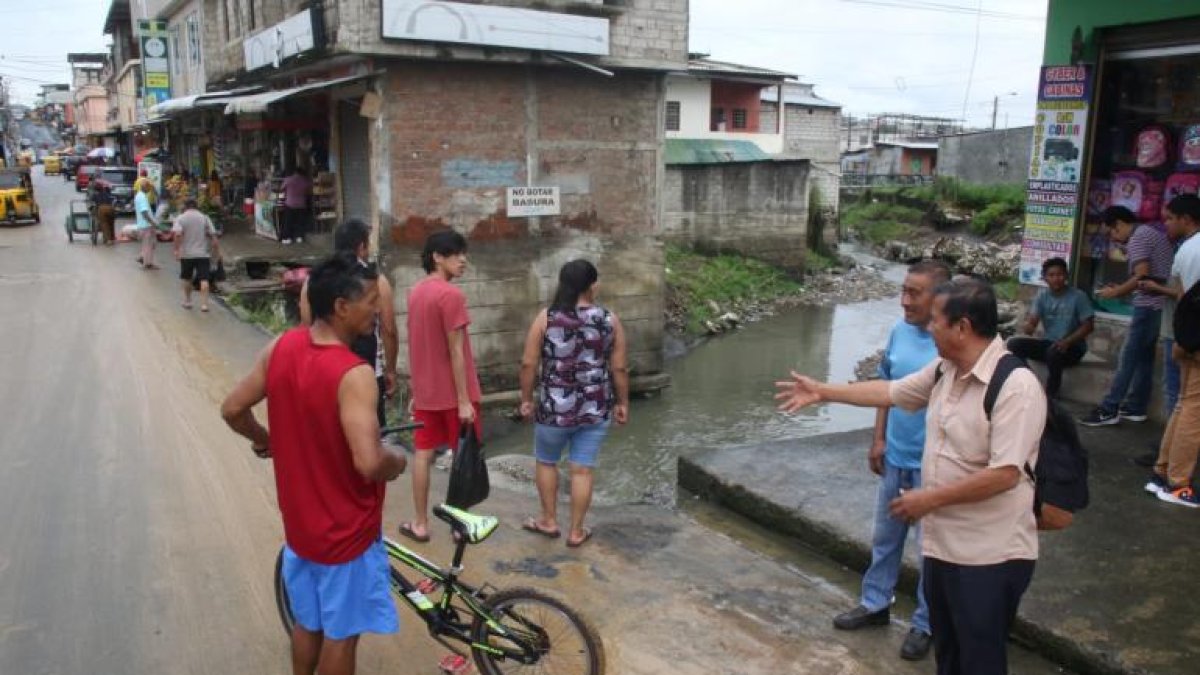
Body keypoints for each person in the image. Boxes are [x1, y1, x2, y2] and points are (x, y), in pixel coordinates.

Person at [776, 277, 1046, 675]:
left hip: (989, 555)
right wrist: (824, 392)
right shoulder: (945, 370)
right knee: (950, 656)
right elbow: (891, 392)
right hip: (942, 548)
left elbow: (1005, 474)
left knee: (980, 660)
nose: (928, 327)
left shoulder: (1015, 388)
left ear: (962, 327)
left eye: (936, 320)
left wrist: (928, 499)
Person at [220, 253, 406, 675]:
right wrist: (395, 461)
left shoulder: (280, 347)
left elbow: (232, 409)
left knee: (309, 623)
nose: (377, 310)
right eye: (371, 300)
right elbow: (368, 463)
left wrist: (267, 441)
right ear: (341, 306)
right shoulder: (353, 374)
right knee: (342, 634)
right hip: (346, 533)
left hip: (300, 529)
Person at [831, 259, 949, 661]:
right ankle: (875, 603)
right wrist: (878, 438)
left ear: (940, 298)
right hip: (896, 456)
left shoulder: (949, 342)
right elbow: (887, 388)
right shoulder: (899, 332)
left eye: (914, 293)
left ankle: (925, 624)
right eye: (903, 290)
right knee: (886, 538)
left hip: (934, 467)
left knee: (930, 548)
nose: (904, 300)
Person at [518, 260, 629, 549]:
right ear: (592, 285)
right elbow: (619, 368)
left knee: (546, 461)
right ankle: (577, 531)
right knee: (582, 470)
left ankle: (549, 521)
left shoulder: (547, 317)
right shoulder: (609, 319)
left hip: (554, 408)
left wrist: (526, 400)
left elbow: (529, 363)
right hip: (595, 407)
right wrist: (623, 402)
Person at [399, 230, 481, 543]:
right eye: (456, 254)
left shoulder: (415, 293)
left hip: (427, 395)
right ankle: (460, 526)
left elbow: (418, 346)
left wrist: (416, 391)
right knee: (465, 458)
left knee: (422, 455)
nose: (463, 260)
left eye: (463, 254)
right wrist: (463, 400)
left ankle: (420, 524)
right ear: (437, 256)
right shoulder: (451, 296)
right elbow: (455, 351)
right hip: (456, 394)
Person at [1079, 206, 1174, 427]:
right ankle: (1136, 406)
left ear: (1119, 224)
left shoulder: (1138, 238)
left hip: (1149, 305)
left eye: (1112, 232)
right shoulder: (1149, 233)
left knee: (1128, 357)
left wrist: (1116, 293)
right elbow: (1147, 275)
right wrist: (1121, 287)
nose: (1114, 238)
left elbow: (1141, 276)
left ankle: (1109, 408)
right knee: (1143, 358)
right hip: (1159, 304)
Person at [300, 219, 399, 426]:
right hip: (368, 368)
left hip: (325, 370)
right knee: (370, 430)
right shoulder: (376, 282)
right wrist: (390, 370)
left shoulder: (315, 279)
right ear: (362, 246)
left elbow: (306, 325)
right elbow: (389, 329)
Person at [1140, 195, 1200, 507]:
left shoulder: (1185, 250)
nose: (1166, 224)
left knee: (1184, 405)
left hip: (1186, 337)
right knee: (1194, 412)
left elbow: (1179, 294)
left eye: (1169, 218)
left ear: (1186, 219)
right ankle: (1178, 483)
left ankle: (1162, 473)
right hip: (1195, 338)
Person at [1007, 258, 1095, 397]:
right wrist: (1029, 326)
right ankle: (1028, 382)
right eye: (1051, 275)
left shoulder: (1078, 296)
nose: (1056, 279)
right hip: (1050, 344)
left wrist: (1068, 341)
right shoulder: (1042, 297)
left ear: (1066, 276)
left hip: (1073, 347)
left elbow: (1088, 326)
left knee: (1053, 352)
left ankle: (1050, 396)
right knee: (1013, 344)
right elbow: (1033, 322)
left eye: (1059, 275)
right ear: (1045, 278)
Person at [171, 198, 221, 312]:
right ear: (196, 206)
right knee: (204, 279)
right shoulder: (204, 217)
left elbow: (177, 235)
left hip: (187, 254)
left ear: (185, 206)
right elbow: (214, 237)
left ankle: (188, 301)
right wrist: (217, 253)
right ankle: (204, 305)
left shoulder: (180, 218)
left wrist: (176, 250)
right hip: (203, 254)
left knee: (187, 278)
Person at [281, 167, 312, 245]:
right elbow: (308, 190)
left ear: (295, 172)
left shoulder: (288, 179)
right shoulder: (305, 180)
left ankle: (287, 238)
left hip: (290, 203)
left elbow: (282, 188)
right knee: (300, 222)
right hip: (301, 204)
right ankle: (299, 237)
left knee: (289, 221)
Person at [134, 179, 160, 270]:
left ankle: (143, 257)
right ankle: (148, 263)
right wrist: (152, 223)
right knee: (149, 244)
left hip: (144, 224)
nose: (150, 189)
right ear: (145, 187)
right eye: (149, 187)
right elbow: (144, 212)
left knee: (151, 243)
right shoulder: (142, 197)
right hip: (146, 225)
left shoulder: (140, 195)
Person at [90, 181, 116, 245]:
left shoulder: (95, 195)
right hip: (111, 208)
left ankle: (108, 240)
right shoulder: (107, 193)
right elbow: (112, 199)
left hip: (102, 209)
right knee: (111, 223)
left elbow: (91, 202)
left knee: (104, 224)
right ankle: (112, 238)